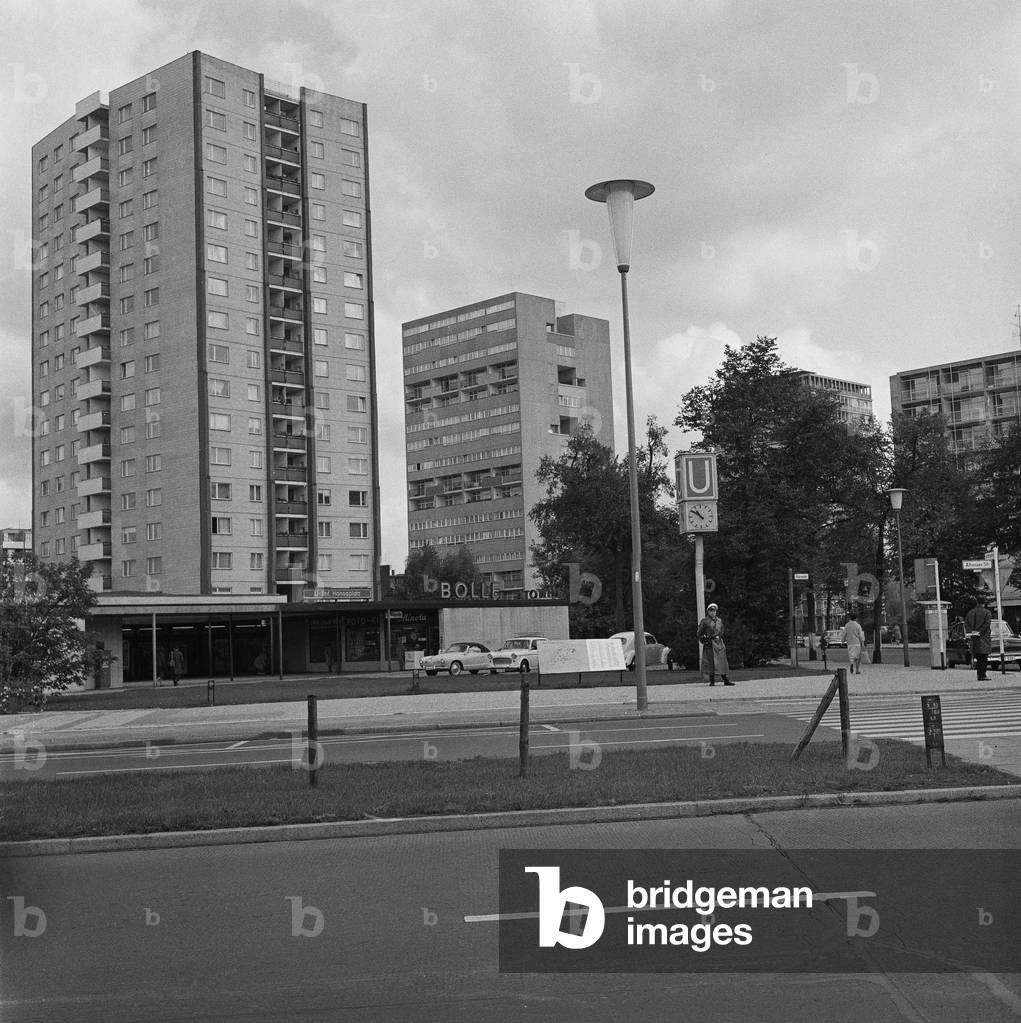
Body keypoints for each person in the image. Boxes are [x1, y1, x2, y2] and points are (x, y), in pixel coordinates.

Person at [697, 603, 733, 686]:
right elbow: (699, 633)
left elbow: (722, 630)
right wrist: (703, 638)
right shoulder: (705, 621)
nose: (713, 612)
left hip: (719, 642)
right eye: (711, 611)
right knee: (711, 661)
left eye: (714, 611)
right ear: (708, 612)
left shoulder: (719, 620)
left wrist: (719, 637)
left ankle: (726, 680)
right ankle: (712, 681)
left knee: (722, 661)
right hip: (710, 643)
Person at [964, 595, 992, 682]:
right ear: (984, 603)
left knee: (978, 658)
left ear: (977, 602)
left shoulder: (970, 613)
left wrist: (972, 632)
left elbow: (966, 624)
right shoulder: (987, 613)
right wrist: (979, 632)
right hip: (983, 638)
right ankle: (982, 675)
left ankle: (979, 675)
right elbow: (987, 625)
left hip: (974, 639)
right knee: (984, 658)